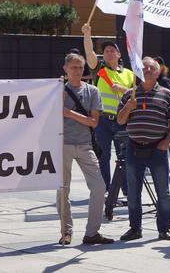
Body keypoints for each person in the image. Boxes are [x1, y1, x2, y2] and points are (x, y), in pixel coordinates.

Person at [117, 57, 170, 241]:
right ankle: (135, 229)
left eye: (152, 68)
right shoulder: (130, 94)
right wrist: (128, 107)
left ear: (158, 71)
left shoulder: (166, 94)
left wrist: (167, 142)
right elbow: (120, 121)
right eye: (144, 68)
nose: (148, 70)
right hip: (134, 148)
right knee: (133, 191)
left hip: (157, 149)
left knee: (163, 191)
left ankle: (164, 228)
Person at [57, 53, 114, 246]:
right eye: (73, 67)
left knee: (99, 186)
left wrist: (68, 113)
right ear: (65, 69)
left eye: (80, 67)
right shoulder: (56, 91)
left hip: (85, 144)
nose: (77, 71)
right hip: (62, 144)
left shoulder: (92, 91)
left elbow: (94, 121)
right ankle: (66, 231)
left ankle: (92, 232)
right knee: (63, 189)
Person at [82, 23, 135, 192]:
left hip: (121, 120)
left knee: (124, 156)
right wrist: (87, 35)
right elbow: (89, 54)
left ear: (119, 54)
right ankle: (105, 188)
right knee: (103, 156)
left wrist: (122, 89)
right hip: (103, 120)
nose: (109, 53)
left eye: (112, 50)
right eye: (106, 51)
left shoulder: (129, 74)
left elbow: (135, 94)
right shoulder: (99, 69)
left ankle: (126, 188)